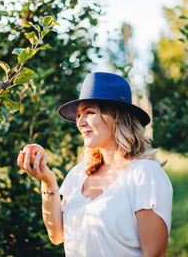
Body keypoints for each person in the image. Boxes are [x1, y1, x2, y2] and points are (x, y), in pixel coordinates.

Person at [17, 72, 173, 257]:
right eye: (78, 115)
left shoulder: (144, 174)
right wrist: (48, 181)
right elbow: (57, 235)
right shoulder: (79, 174)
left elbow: (154, 254)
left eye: (89, 112)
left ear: (116, 116)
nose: (80, 123)